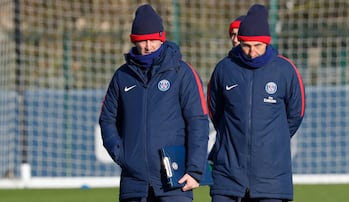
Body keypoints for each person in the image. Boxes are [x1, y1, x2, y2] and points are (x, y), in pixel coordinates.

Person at [99, 4, 209, 202]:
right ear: (134, 41)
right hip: (134, 184)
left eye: (153, 40)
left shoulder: (182, 73)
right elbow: (107, 119)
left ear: (162, 38)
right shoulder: (122, 76)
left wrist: (195, 170)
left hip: (175, 182)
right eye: (142, 41)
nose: (148, 46)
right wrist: (122, 154)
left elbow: (198, 123)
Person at [207, 4, 305, 202]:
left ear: (267, 42)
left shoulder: (285, 70)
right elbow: (215, 112)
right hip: (228, 176)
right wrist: (233, 137)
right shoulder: (224, 69)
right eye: (246, 45)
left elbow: (295, 115)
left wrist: (271, 141)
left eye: (257, 46)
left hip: (272, 179)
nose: (252, 52)